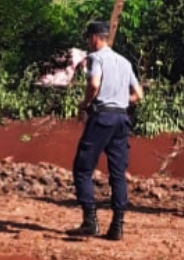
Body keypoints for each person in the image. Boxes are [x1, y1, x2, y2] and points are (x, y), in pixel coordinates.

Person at [69, 21, 144, 241]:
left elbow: (93, 84)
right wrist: (120, 101)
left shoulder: (96, 58)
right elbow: (139, 94)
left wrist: (84, 104)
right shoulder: (124, 61)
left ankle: (90, 221)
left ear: (94, 37)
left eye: (88, 38)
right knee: (118, 173)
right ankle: (117, 225)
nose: (87, 42)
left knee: (82, 168)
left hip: (101, 116)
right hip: (122, 118)